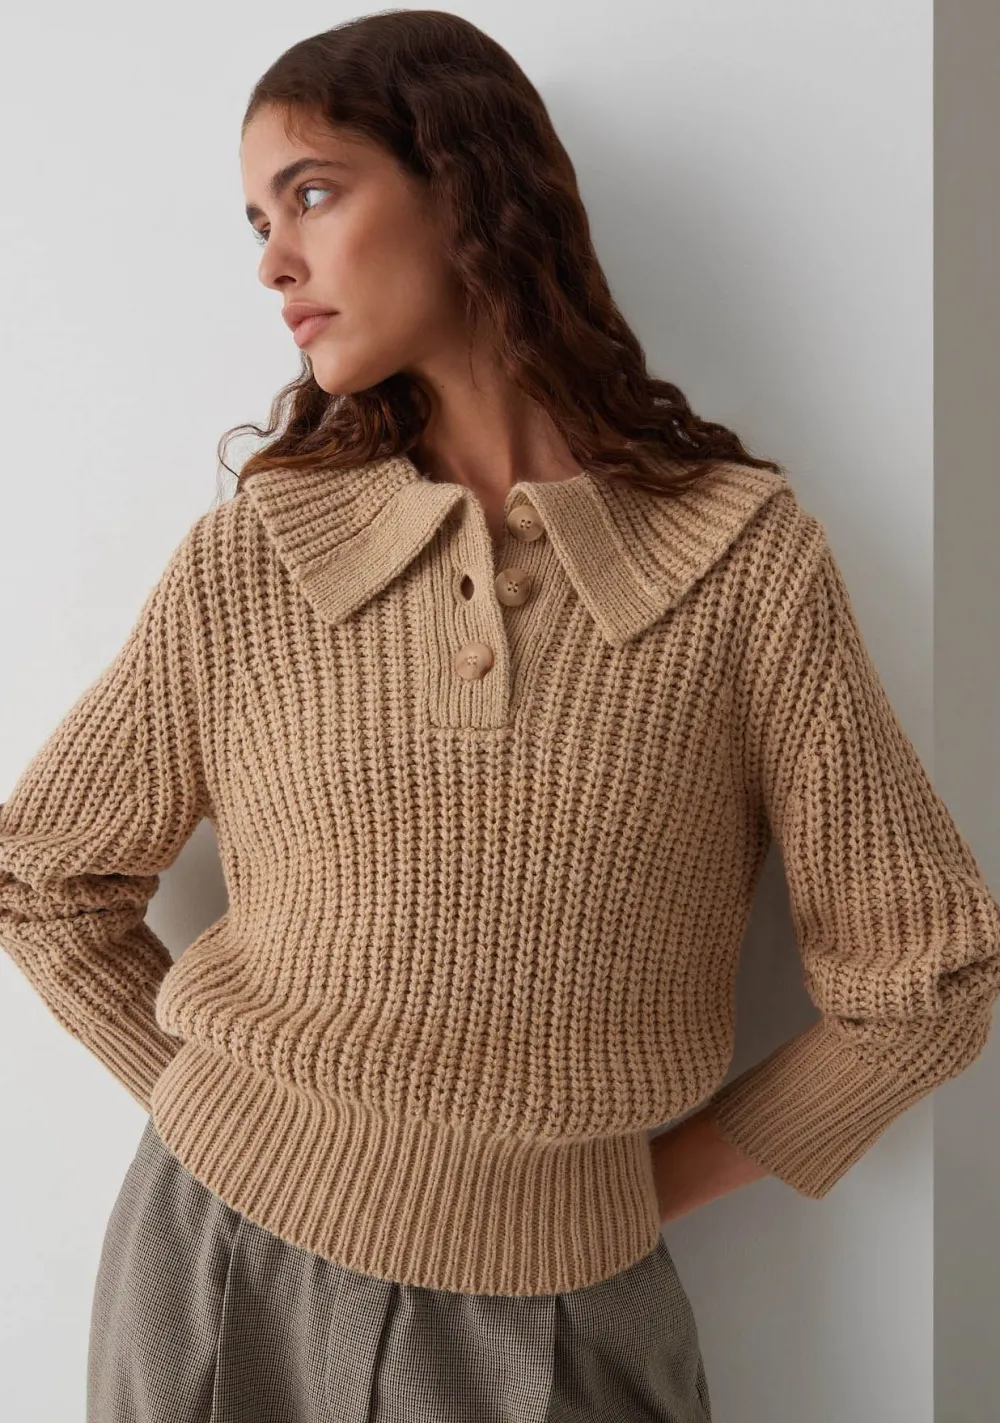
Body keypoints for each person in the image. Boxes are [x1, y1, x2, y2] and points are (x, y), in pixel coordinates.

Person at [1, 11, 998, 1423]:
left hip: (567, 1309)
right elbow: (43, 876)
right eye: (257, 221)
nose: (272, 260)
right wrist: (211, 1111)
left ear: (466, 183)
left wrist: (625, 1191)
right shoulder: (258, 559)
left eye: (313, 192)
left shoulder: (742, 564)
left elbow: (928, 981)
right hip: (218, 1267)